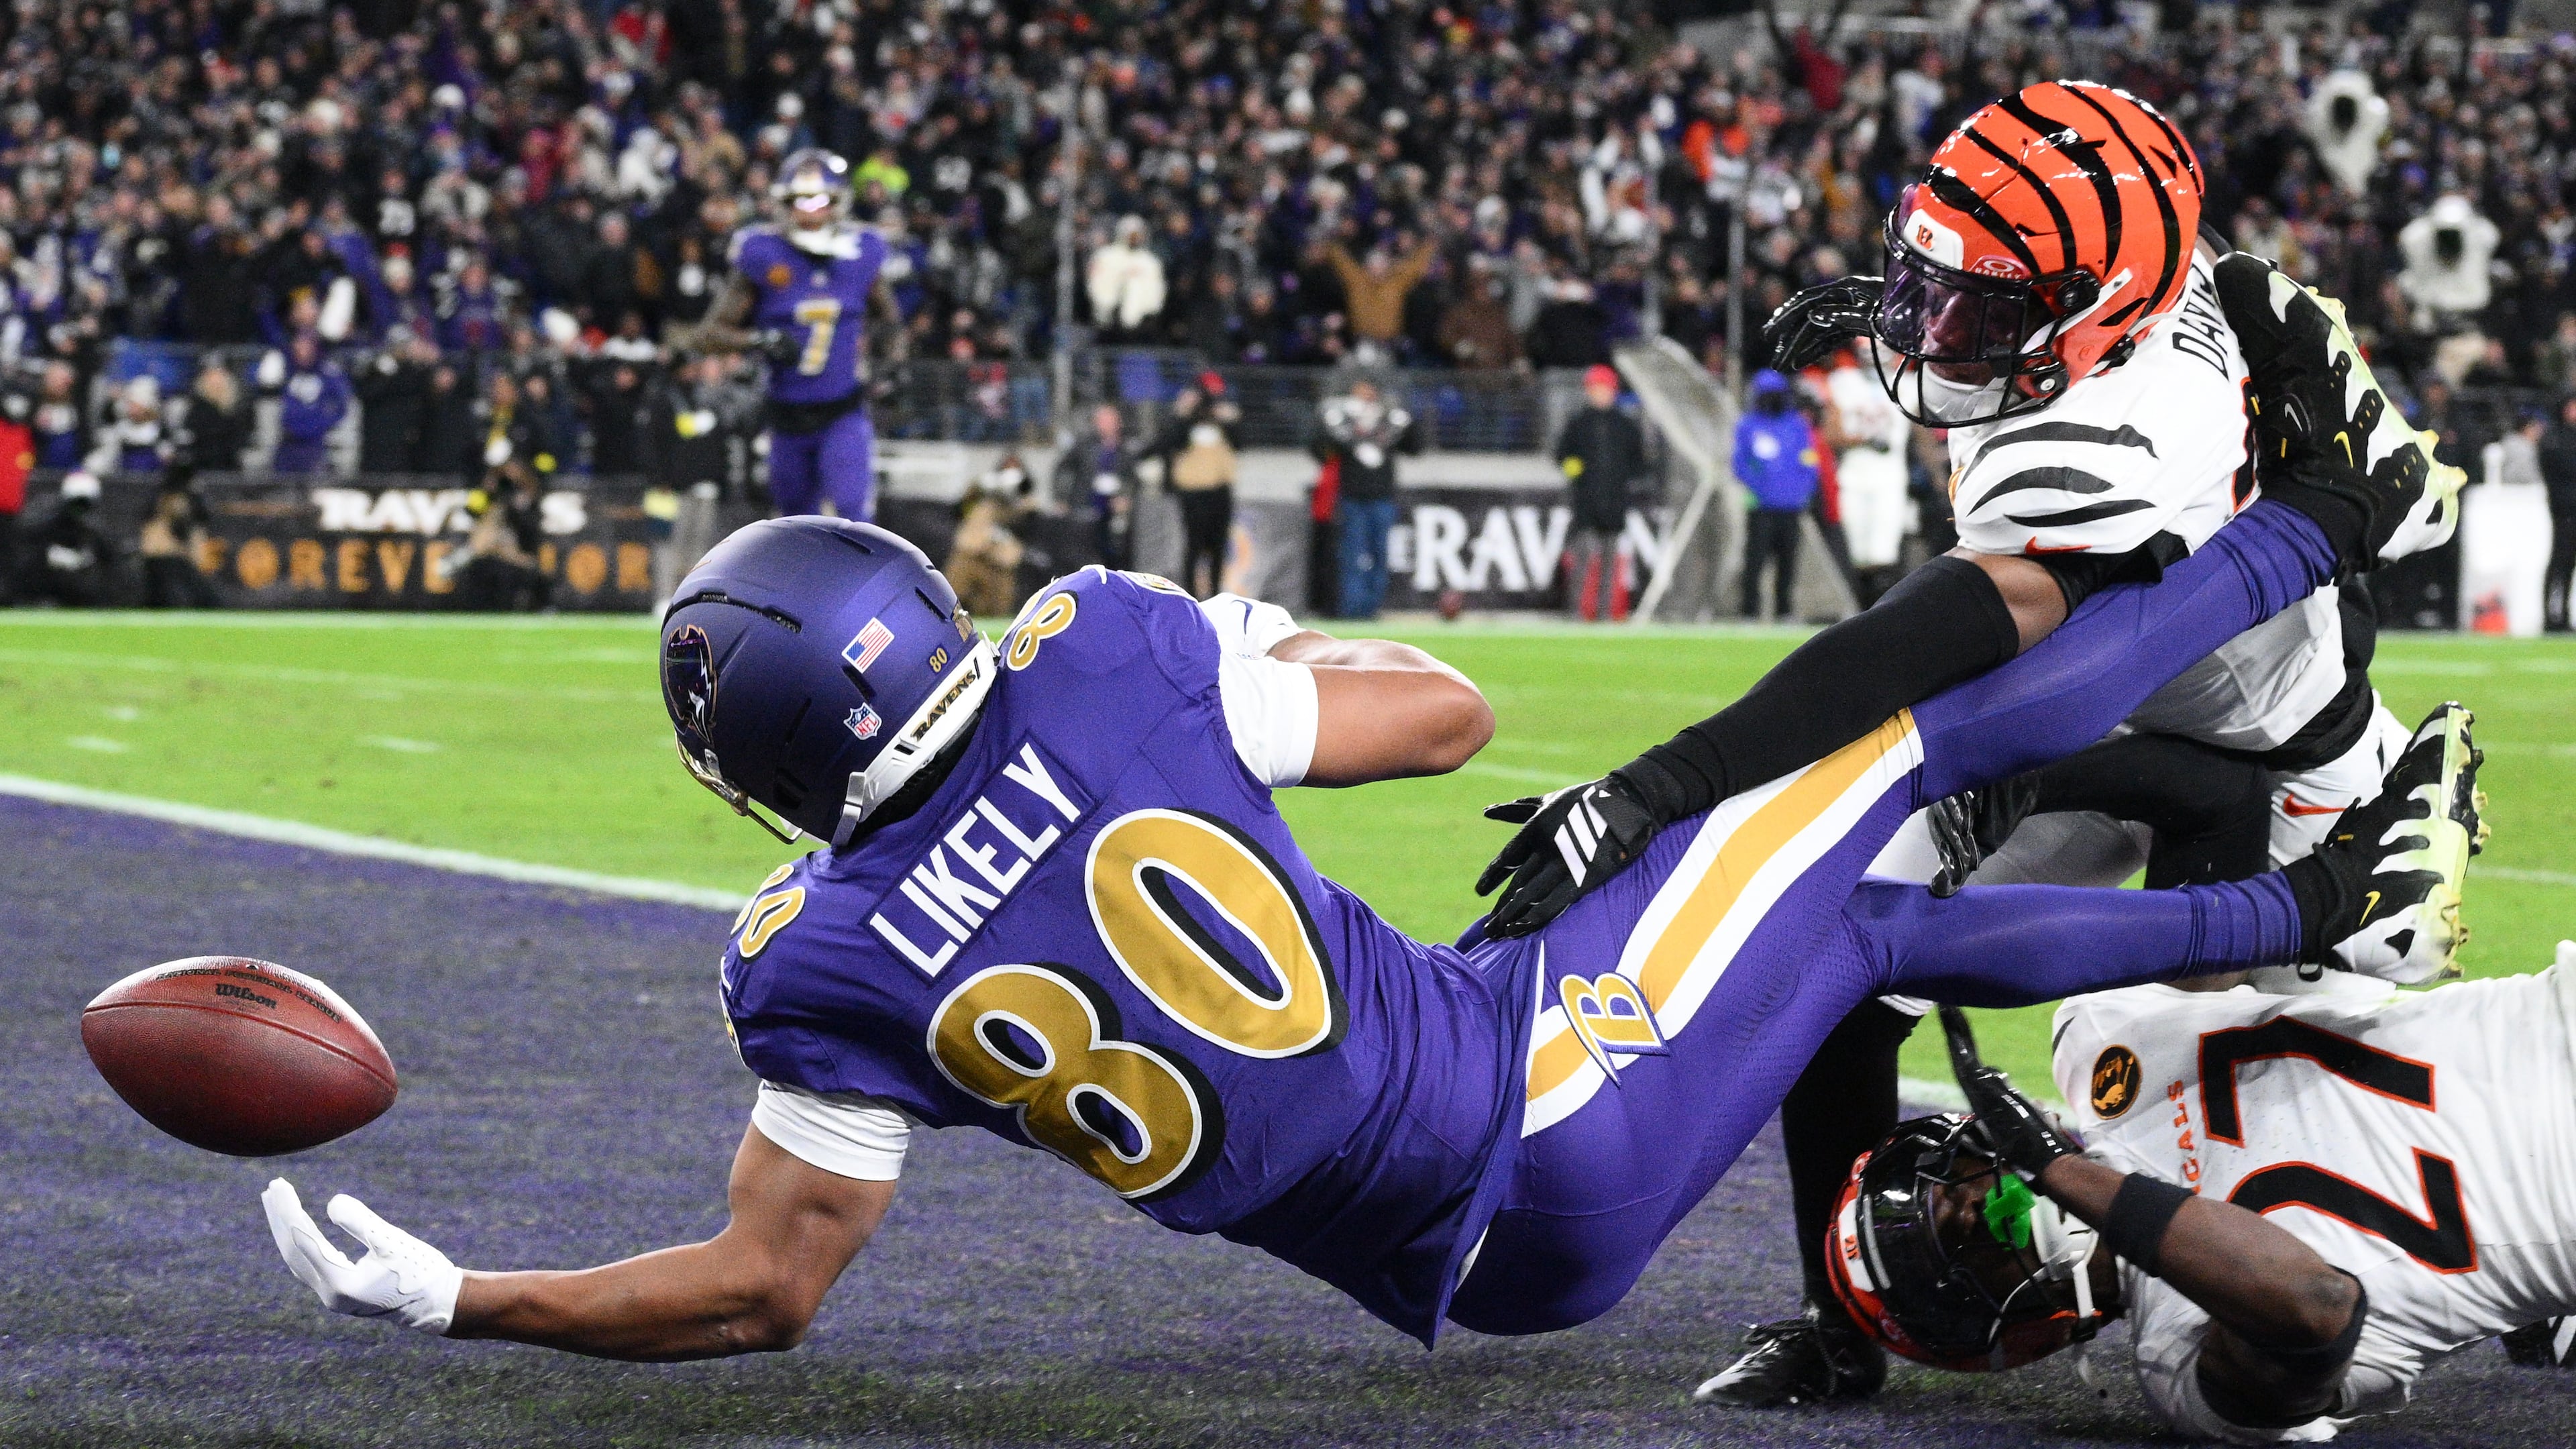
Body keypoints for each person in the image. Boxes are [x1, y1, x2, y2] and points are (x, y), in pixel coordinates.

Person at [258, 492, 2476, 1368]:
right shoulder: (1103, 656)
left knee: (1852, 931)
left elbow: (763, 1291)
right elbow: (1451, 720)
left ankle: (2279, 879)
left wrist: (467, 1294)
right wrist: (1244, 653)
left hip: (1481, 1274)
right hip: (1550, 1092)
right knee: (1890, 749)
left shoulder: (806, 962)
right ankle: (2304, 545)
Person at [1468, 86, 2464, 1397]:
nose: (1938, 332)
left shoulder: (2113, 444)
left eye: (1979, 308)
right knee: (1841, 977)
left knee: (2253, 1139)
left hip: (2278, 776)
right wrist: (1923, 301)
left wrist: (1668, 783)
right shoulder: (2185, 278)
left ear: (2108, 305)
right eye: (1932, 286)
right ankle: (1840, 1330)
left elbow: (1906, 649)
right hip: (2130, 712)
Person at [1823, 922, 2576, 1444]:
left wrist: (2342, 872)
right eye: (1948, 1241)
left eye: (1947, 1182)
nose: (1967, 1205)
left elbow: (2224, 895)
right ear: (1987, 1319)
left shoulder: (2096, 1039)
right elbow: (2316, 1304)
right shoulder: (2180, 1367)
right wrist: (2059, 1171)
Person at [672, 150, 892, 521]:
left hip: (841, 411)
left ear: (838, 203)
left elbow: (892, 322)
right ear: (783, 204)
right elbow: (708, 335)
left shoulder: (862, 251)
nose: (810, 213)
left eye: (819, 201)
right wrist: (760, 341)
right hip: (785, 416)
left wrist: (890, 363)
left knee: (853, 514)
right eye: (800, 201)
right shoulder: (762, 253)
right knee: (795, 521)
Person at [1311, 378, 1418, 620]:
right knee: (1352, 555)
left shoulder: (1387, 420)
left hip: (1382, 498)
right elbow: (1319, 450)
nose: (1365, 395)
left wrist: (1409, 423)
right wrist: (1335, 430)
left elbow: (1414, 448)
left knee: (1379, 555)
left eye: (1369, 390)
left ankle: (1372, 608)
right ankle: (1352, 609)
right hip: (1352, 498)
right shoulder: (1345, 419)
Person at [1555, 364, 1648, 621]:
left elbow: (1639, 462)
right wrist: (1576, 473)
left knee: (1610, 562)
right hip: (1586, 503)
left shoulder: (1625, 426)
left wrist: (1623, 477)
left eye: (1604, 389)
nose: (1600, 394)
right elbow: (1562, 455)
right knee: (1583, 558)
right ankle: (1575, 612)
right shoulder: (1578, 423)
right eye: (1595, 389)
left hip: (1615, 503)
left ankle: (1605, 613)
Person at [1824, 341, 1913, 607]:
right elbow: (1831, 434)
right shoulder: (1844, 382)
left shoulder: (1906, 385)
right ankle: (1863, 613)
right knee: (1858, 554)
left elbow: (1923, 431)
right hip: (1854, 477)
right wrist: (1863, 440)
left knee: (1884, 552)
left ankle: (1882, 614)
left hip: (1890, 479)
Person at [1734, 369, 1818, 621]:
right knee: (1755, 560)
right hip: (1760, 506)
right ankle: (1749, 611)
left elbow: (1809, 460)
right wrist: (1759, 486)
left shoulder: (1797, 425)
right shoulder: (1748, 425)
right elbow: (1740, 463)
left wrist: (1802, 490)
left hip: (1791, 506)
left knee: (1788, 561)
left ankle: (1784, 610)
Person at [1155, 373, 1241, 599]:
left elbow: (1240, 444)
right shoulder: (1185, 420)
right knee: (1194, 546)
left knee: (1218, 547)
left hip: (1220, 491)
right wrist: (1183, 413)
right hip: (1192, 493)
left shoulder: (1222, 420)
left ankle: (1216, 595)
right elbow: (1169, 444)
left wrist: (1230, 420)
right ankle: (1190, 595)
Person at [266, 333, 352, 476]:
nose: (301, 352)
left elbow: (341, 405)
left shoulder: (329, 374)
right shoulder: (289, 370)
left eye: (306, 347)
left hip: (314, 443)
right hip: (288, 440)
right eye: (298, 347)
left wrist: (320, 424)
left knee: (312, 482)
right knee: (281, 481)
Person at [25, 471, 114, 606]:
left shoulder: (96, 531)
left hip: (84, 590)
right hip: (49, 586)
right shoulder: (47, 525)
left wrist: (84, 558)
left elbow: (109, 560)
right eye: (76, 503)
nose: (79, 510)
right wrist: (52, 555)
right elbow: (30, 554)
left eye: (84, 504)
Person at [138, 472, 216, 608]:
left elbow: (197, 556)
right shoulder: (157, 513)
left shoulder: (192, 515)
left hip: (181, 563)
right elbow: (152, 547)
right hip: (162, 563)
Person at [179, 361, 252, 476]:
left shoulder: (241, 408)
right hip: (201, 466)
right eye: (210, 376)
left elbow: (241, 439)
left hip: (230, 466)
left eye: (219, 375)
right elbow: (190, 437)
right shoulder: (196, 409)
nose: (215, 381)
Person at [2543, 396, 2576, 633]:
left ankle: (2563, 613)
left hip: (2568, 509)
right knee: (2560, 564)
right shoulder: (2555, 438)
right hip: (2564, 513)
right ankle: (2552, 615)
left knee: (2568, 565)